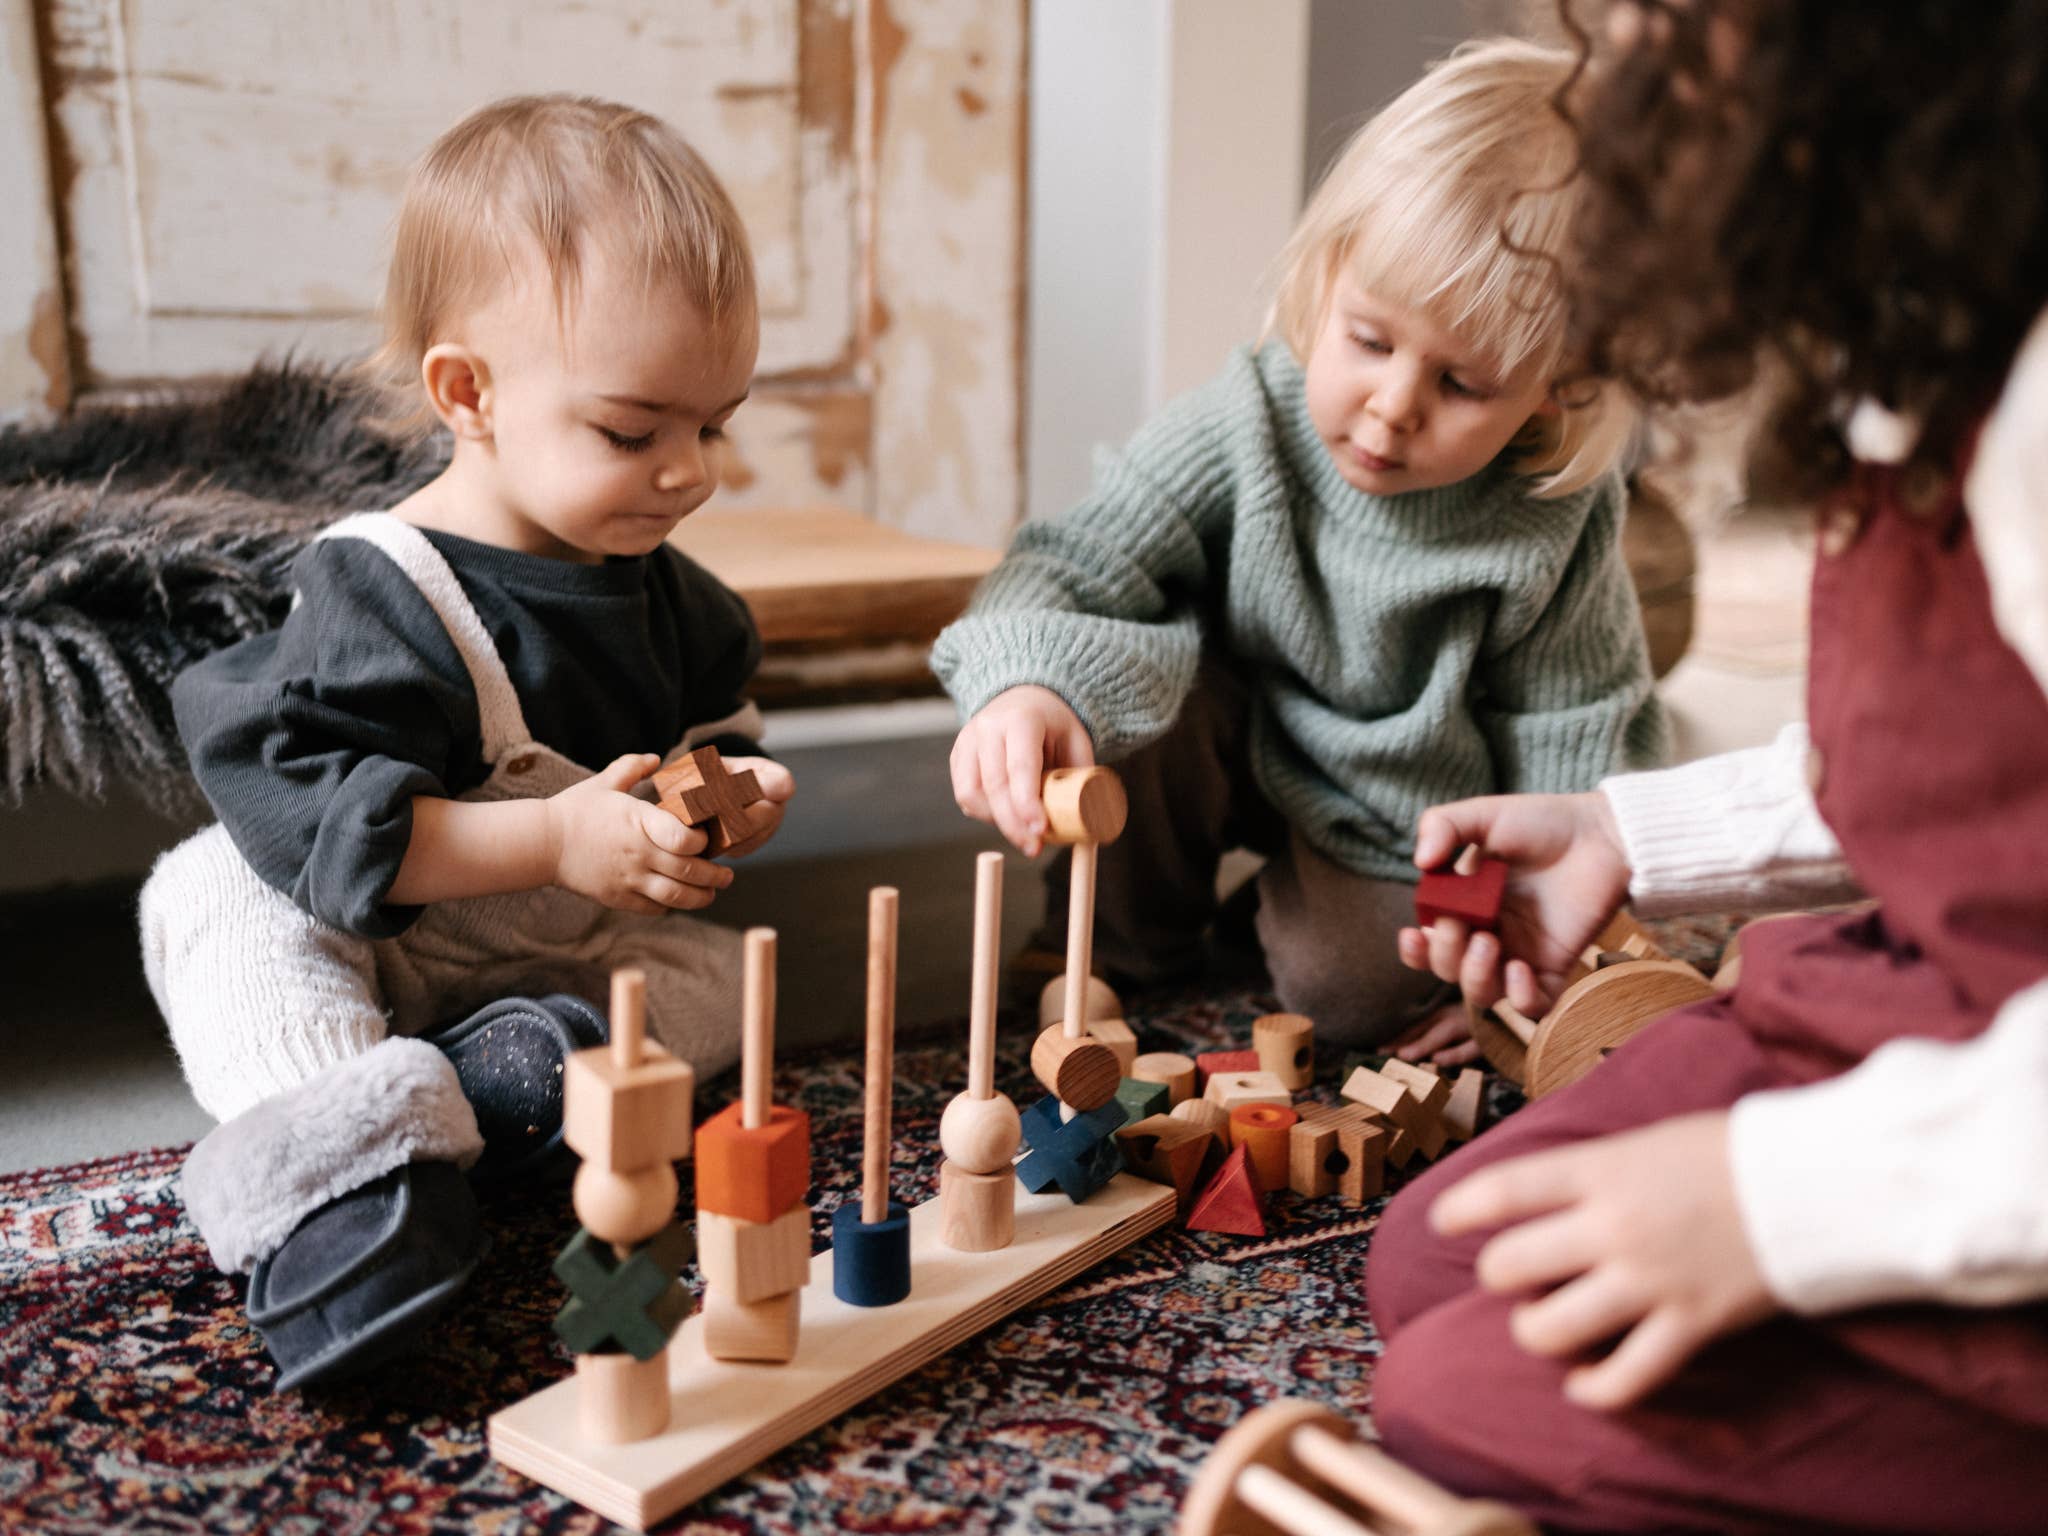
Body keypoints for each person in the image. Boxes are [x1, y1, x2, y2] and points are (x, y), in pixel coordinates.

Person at [1370, 4, 2048, 1529]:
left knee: (1464, 1391)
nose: (1614, 83)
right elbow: (1983, 760)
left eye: (1660, 31)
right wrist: (1636, 832)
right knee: (1443, 1254)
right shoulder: (1933, 325)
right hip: (1930, 995)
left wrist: (1774, 1207)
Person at [138, 94, 791, 1389]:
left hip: (551, 949)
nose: (690, 472)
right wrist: (556, 830)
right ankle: (355, 1182)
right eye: (633, 430)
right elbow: (324, 827)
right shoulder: (386, 589)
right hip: (382, 936)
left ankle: (504, 1086)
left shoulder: (673, 592)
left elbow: (715, 743)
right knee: (218, 899)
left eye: (713, 425)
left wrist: (737, 795)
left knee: (730, 982)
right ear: (468, 392)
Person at [932, 39, 1667, 1048]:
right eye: (1368, 340)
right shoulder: (1245, 422)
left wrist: (1514, 963)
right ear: (1326, 279)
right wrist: (1025, 686)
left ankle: (1267, 920)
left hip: (1402, 816)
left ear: (1559, 385)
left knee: (1357, 996)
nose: (1392, 406)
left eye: (1460, 385)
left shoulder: (1553, 517)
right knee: (1126, 700)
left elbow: (1571, 737)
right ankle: (1111, 947)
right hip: (1220, 727)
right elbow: (1066, 563)